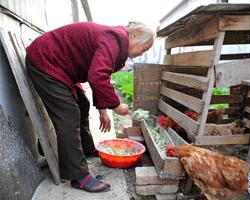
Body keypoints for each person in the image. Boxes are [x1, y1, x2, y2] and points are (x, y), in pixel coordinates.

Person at [25, 21, 155, 193]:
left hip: (60, 66)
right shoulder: (115, 39)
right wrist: (116, 106)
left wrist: (103, 112)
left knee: (82, 103)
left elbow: (99, 74)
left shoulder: (117, 42)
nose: (141, 53)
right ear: (134, 36)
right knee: (69, 114)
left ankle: (85, 149)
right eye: (144, 49)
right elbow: (97, 76)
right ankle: (78, 176)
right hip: (46, 61)